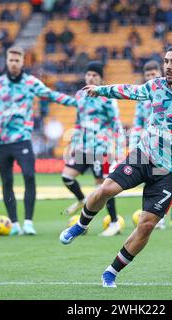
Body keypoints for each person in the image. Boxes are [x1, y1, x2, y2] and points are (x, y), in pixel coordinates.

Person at [59, 45, 172, 287]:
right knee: (106, 189)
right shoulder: (156, 86)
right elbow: (129, 90)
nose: (168, 66)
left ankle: (111, 272)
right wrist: (99, 90)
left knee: (146, 225)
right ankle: (80, 225)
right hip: (144, 155)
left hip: (171, 170)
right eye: (166, 61)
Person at [0, 46, 77, 236]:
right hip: (2, 142)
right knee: (6, 182)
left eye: (17, 60)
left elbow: (51, 95)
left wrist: (76, 101)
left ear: (23, 62)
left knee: (29, 178)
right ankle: (14, 223)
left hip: (23, 140)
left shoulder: (31, 82)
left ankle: (28, 222)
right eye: (11, 60)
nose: (14, 63)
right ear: (7, 61)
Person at [129, 60, 172, 231]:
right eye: (148, 75)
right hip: (150, 145)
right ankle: (162, 219)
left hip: (170, 145)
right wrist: (134, 142)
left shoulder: (168, 93)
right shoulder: (143, 98)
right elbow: (137, 123)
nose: (151, 77)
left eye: (153, 74)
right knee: (152, 181)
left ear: (160, 73)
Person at [60, 61, 125, 237]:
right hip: (82, 147)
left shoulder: (107, 98)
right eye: (88, 74)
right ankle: (81, 199)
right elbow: (78, 121)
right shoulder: (80, 95)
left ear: (101, 79)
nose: (91, 77)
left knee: (103, 188)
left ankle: (114, 222)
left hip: (100, 148)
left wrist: (118, 149)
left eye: (95, 75)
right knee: (66, 176)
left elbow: (116, 124)